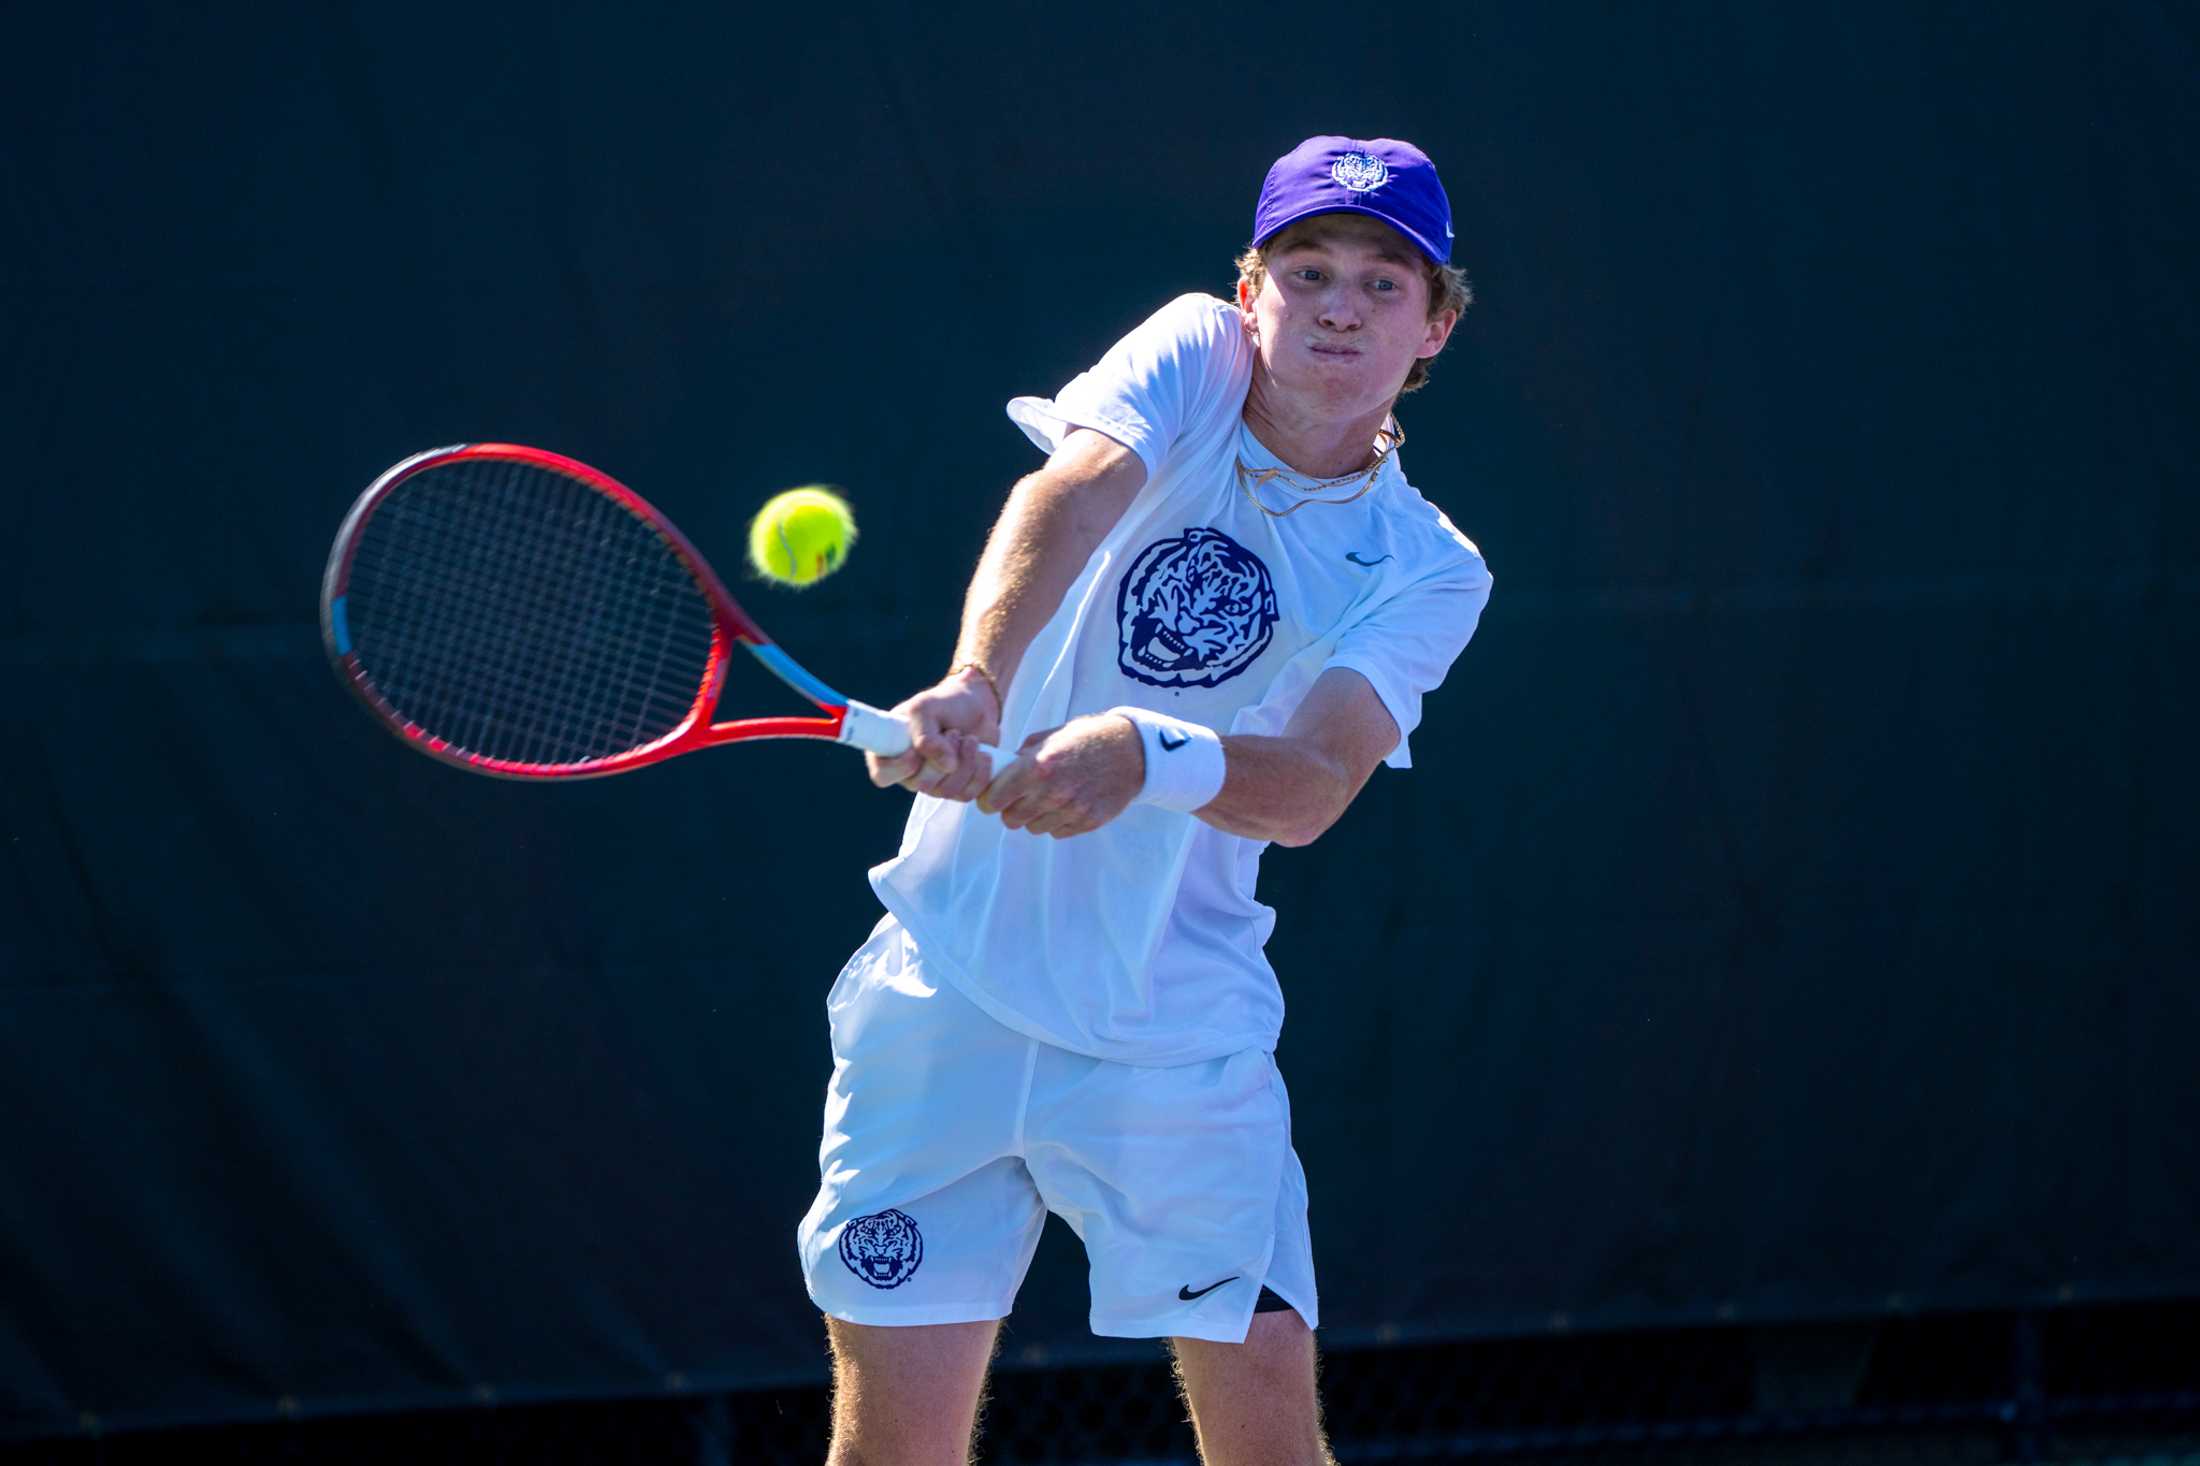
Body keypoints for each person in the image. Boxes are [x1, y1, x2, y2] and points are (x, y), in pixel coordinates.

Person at [797, 135, 1493, 1466]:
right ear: (1250, 295)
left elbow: (1314, 781)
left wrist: (1147, 753)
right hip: (942, 1000)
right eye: (1307, 271)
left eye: (1383, 283)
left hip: (1176, 1045)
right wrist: (977, 683)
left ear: (1434, 329)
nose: (1340, 304)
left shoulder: (1430, 568)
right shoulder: (1189, 351)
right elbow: (1070, 487)